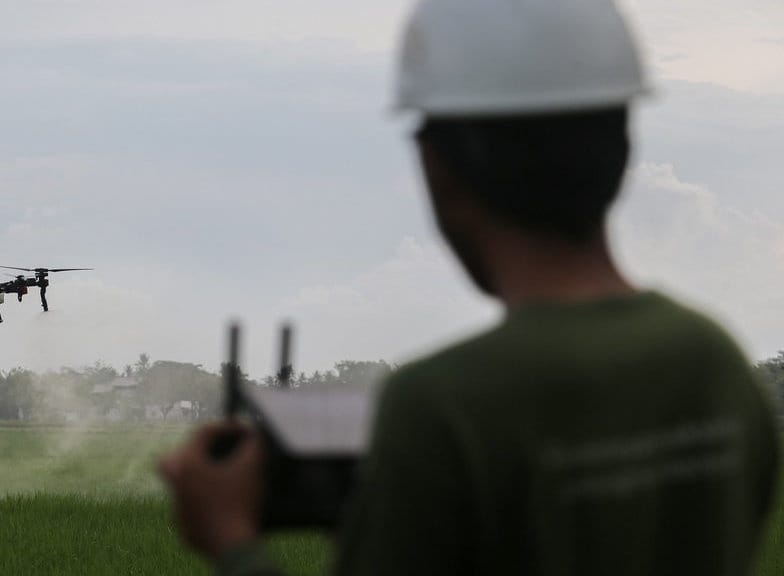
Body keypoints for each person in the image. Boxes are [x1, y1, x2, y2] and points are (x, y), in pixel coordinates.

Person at [159, 0, 781, 574]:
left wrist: (232, 538)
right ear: (621, 149)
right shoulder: (714, 362)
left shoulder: (440, 405)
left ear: (440, 170)